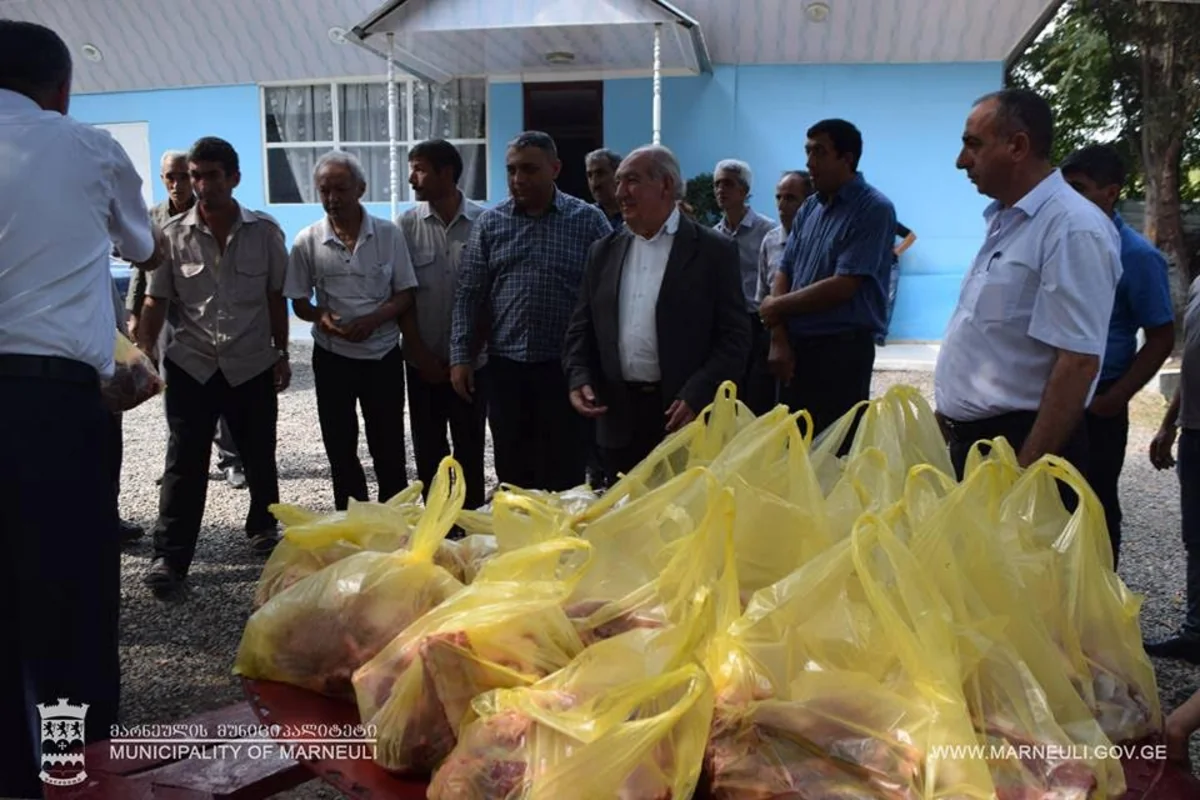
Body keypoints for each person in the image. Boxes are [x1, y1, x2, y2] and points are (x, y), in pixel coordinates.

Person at [0, 20, 165, 796]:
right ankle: (75, 772)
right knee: (64, 601)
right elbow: (143, 247)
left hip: (44, 396)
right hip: (47, 409)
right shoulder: (86, 146)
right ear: (60, 89)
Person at [933, 89, 1122, 479]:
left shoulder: (1072, 227)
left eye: (973, 145)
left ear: (1017, 146)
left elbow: (1078, 362)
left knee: (1013, 543)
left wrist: (1023, 478)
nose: (960, 161)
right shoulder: (1008, 221)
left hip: (1020, 450)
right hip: (979, 448)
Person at [136, 137, 290, 598]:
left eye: (211, 175)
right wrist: (144, 350)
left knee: (258, 451)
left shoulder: (264, 232)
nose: (201, 185)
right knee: (184, 460)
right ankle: (171, 555)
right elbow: (156, 298)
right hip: (192, 363)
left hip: (250, 362)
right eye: (195, 176)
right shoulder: (172, 234)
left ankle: (264, 526)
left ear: (234, 178)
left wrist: (280, 352)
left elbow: (274, 297)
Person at [563, 145, 750, 484]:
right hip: (617, 419)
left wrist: (698, 393)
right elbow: (582, 327)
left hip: (683, 418)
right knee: (624, 524)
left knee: (680, 525)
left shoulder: (712, 251)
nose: (619, 192)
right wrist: (578, 376)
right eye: (618, 182)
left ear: (665, 185)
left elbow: (735, 337)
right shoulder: (603, 252)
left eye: (631, 181)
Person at [450, 131, 612, 491]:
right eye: (511, 170)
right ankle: (519, 544)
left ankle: (560, 546)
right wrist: (461, 356)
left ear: (554, 169)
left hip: (565, 369)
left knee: (566, 471)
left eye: (529, 169)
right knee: (512, 471)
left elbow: (607, 298)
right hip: (506, 369)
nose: (518, 179)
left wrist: (599, 366)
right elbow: (469, 294)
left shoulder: (588, 221)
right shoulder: (491, 224)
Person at [1061, 143, 1175, 568]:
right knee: (1053, 500)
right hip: (1053, 393)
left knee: (1095, 503)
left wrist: (1115, 398)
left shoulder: (1138, 257)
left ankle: (1100, 607)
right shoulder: (1061, 240)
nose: (1069, 199)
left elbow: (1162, 336)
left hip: (1100, 398)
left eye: (1079, 188)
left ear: (1110, 193)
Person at [286, 151, 416, 511]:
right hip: (332, 357)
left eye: (340, 189)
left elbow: (405, 293)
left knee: (388, 442)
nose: (332, 199)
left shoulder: (389, 234)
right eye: (324, 190)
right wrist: (320, 316)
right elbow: (299, 300)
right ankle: (352, 519)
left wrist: (374, 319)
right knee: (340, 445)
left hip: (382, 355)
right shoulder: (307, 240)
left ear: (360, 188)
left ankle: (395, 518)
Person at [759, 119, 897, 438]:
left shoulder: (873, 209)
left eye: (819, 152)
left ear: (847, 159)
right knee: (789, 449)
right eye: (807, 152)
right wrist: (778, 339)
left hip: (841, 356)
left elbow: (843, 286)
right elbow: (785, 268)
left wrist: (774, 307)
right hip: (794, 351)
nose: (810, 163)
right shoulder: (809, 208)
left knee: (834, 454)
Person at [131, 150, 247, 490]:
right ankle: (180, 460)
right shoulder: (154, 216)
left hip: (208, 313)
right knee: (176, 390)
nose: (178, 184)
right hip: (168, 315)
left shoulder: (212, 212)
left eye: (184, 176)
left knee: (222, 382)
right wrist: (134, 314)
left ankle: (231, 458)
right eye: (171, 177)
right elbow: (144, 271)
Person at [399, 139, 489, 509]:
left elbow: (490, 295)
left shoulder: (485, 221)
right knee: (428, 446)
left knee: (470, 444)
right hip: (423, 361)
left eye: (419, 168)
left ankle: (470, 526)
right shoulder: (405, 225)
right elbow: (402, 293)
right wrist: (418, 351)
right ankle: (437, 521)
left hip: (473, 361)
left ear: (446, 172)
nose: (411, 178)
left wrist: (465, 356)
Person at [1147, 275, 1200, 663]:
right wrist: (1170, 423)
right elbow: (1192, 364)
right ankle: (1196, 631)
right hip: (1196, 430)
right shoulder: (1198, 284)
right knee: (1196, 536)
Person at [713, 159, 778, 415]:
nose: (721, 190)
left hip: (756, 320)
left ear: (744, 190)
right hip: (727, 321)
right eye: (717, 184)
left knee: (758, 390)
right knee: (730, 389)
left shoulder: (767, 230)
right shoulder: (714, 234)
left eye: (728, 184)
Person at [753, 170, 812, 412]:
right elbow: (763, 296)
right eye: (778, 197)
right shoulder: (770, 241)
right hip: (775, 340)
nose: (782, 205)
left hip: (810, 342)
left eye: (790, 198)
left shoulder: (817, 241)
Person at [877, 221, 917, 346]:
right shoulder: (864, 221)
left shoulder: (888, 220)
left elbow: (911, 236)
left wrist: (896, 252)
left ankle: (880, 335)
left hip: (890, 265)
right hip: (870, 266)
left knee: (888, 299)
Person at [585, 148, 624, 229]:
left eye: (600, 173)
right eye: (590, 175)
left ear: (618, 174)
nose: (594, 183)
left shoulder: (636, 213)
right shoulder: (586, 216)